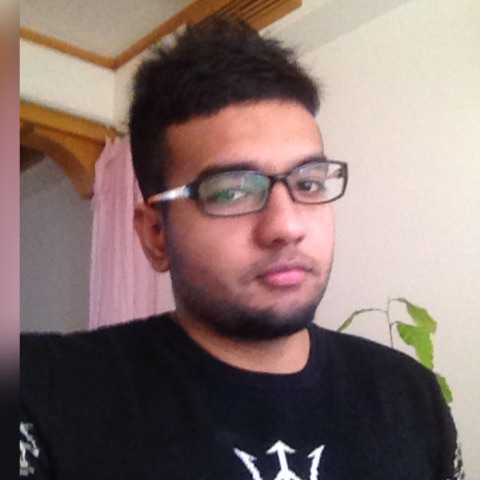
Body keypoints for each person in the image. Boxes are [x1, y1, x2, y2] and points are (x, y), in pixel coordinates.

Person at [20, 19, 463, 480]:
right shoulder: (44, 394)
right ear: (155, 234)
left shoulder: (412, 396)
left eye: (309, 183)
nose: (286, 226)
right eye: (231, 192)